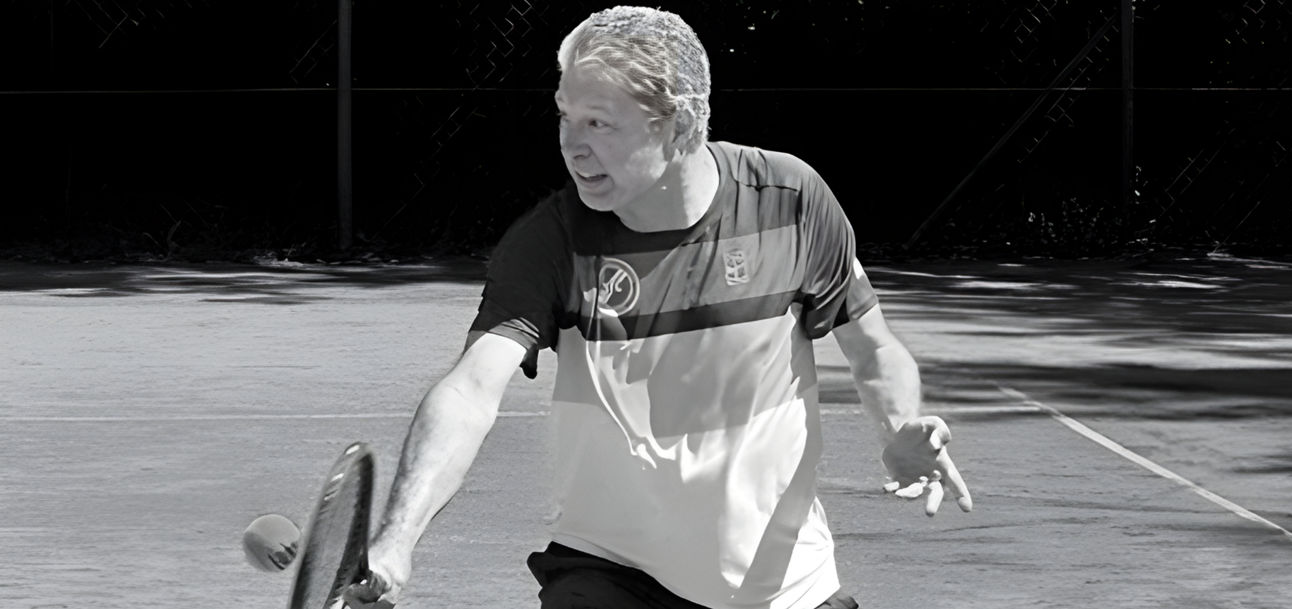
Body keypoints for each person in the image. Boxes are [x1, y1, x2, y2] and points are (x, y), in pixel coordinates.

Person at [346, 6, 972, 609]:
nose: (572, 145)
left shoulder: (790, 201)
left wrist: (899, 427)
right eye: (565, 116)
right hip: (610, 571)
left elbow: (873, 350)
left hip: (787, 588)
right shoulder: (552, 241)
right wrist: (396, 538)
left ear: (680, 124)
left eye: (599, 123)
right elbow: (470, 390)